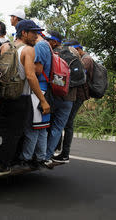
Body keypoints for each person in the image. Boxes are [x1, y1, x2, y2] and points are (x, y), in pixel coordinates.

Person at [0, 20, 47, 176]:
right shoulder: (28, 50)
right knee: (15, 133)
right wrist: (43, 101)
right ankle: (3, 166)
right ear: (24, 33)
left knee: (3, 131)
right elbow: (31, 76)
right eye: (33, 32)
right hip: (20, 97)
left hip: (4, 95)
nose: (36, 36)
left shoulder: (5, 46)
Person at [18, 21, 51, 169]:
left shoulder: (37, 47)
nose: (35, 35)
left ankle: (26, 158)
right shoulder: (47, 46)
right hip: (43, 89)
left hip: (37, 91)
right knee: (42, 127)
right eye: (34, 31)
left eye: (36, 32)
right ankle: (41, 157)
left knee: (33, 128)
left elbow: (35, 72)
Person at [55, 40, 93, 163]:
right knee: (66, 123)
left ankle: (64, 153)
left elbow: (77, 77)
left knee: (68, 123)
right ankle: (60, 150)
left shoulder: (85, 60)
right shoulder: (81, 58)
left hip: (78, 95)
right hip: (76, 95)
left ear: (76, 48)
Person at [42, 31, 77, 168]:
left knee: (45, 125)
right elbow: (82, 78)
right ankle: (48, 155)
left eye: (49, 39)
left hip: (54, 96)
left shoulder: (52, 54)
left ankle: (39, 154)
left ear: (55, 42)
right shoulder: (73, 55)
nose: (47, 42)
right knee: (58, 128)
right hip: (69, 98)